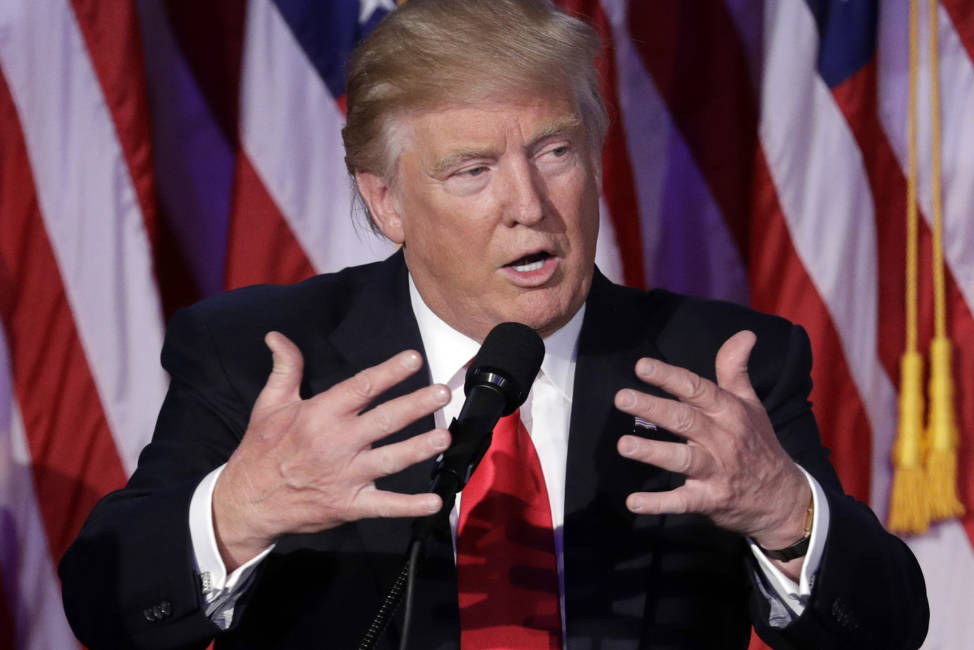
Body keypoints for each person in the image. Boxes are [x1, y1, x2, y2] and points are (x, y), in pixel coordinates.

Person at [59, 1, 928, 648]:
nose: (529, 206)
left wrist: (786, 513)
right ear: (386, 200)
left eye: (554, 152)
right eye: (472, 171)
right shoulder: (268, 357)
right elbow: (107, 604)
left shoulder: (720, 364)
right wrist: (242, 509)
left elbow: (885, 628)